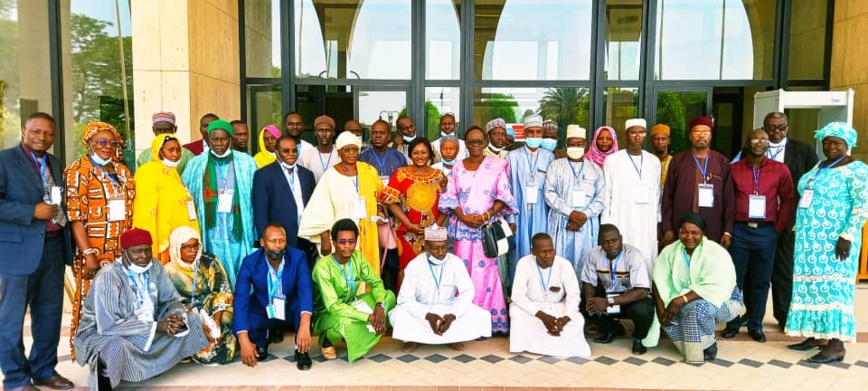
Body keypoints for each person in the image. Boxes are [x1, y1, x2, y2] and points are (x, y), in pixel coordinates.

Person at [73, 228, 209, 390]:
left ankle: (151, 366)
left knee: (191, 320)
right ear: (124, 252)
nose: (144, 256)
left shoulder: (155, 266)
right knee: (116, 345)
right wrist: (158, 327)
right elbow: (108, 325)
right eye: (137, 251)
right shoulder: (109, 276)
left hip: (147, 326)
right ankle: (105, 372)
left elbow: (171, 300)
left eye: (147, 250)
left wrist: (175, 316)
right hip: (103, 333)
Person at [0, 112, 74, 391]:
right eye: (36, 132)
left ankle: (44, 370)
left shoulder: (55, 163)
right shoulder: (5, 161)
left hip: (53, 248)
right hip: (17, 252)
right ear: (23, 131)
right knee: (11, 318)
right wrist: (32, 211)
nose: (42, 138)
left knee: (50, 314)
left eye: (48, 134)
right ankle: (17, 379)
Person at [785, 122, 868, 363]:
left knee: (833, 289)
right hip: (810, 243)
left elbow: (862, 206)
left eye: (837, 143)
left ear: (848, 144)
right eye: (827, 142)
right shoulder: (820, 166)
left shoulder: (857, 170)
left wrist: (847, 235)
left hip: (835, 242)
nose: (831, 146)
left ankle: (836, 345)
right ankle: (817, 335)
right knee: (811, 288)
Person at [65, 121, 135, 358]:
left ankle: (119, 355)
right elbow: (74, 217)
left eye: (112, 142)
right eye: (101, 142)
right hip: (94, 252)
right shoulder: (78, 172)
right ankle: (91, 354)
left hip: (122, 251)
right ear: (89, 143)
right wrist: (88, 255)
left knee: (121, 302)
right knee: (93, 304)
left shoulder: (123, 171)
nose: (107, 147)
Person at [439, 126, 516, 334]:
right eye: (471, 142)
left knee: (486, 275)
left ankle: (487, 322)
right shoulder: (457, 167)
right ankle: (463, 321)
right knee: (463, 273)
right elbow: (450, 195)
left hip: (486, 229)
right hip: (463, 229)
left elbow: (503, 196)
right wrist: (463, 217)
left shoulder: (498, 165)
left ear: (484, 142)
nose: (476, 145)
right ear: (466, 144)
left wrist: (486, 216)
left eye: (479, 141)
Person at [720, 128, 795, 342]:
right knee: (735, 279)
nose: (759, 142)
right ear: (747, 141)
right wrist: (728, 229)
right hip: (740, 230)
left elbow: (788, 199)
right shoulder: (733, 169)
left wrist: (779, 226)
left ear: (768, 142)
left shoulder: (780, 170)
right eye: (755, 138)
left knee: (761, 280)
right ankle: (733, 322)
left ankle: (755, 324)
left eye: (763, 138)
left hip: (767, 231)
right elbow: (727, 200)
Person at [645, 213, 742, 364]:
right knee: (668, 318)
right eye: (684, 232)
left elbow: (716, 285)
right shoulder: (670, 251)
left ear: (703, 233)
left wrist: (680, 300)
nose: (689, 237)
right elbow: (658, 279)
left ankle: (707, 346)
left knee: (694, 309)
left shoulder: (716, 252)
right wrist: (660, 309)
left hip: (726, 301)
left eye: (694, 232)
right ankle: (694, 347)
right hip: (685, 302)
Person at [390, 225, 491, 352]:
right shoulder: (415, 265)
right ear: (427, 248)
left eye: (444, 247)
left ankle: (454, 337)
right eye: (436, 248)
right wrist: (426, 315)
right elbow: (404, 299)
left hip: (449, 308)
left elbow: (468, 292)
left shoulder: (456, 262)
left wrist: (454, 315)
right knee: (398, 315)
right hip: (422, 309)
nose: (441, 252)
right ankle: (413, 339)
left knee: (480, 315)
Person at [183, 119, 258, 287]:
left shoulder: (246, 162)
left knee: (242, 271)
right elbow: (186, 196)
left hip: (238, 229)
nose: (218, 143)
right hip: (210, 230)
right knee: (212, 271)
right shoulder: (196, 164)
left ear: (230, 139)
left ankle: (240, 306)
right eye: (214, 139)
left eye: (223, 139)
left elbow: (257, 197)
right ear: (209, 140)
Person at [762, 112, 819, 331]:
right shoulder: (754, 147)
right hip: (759, 219)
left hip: (789, 221)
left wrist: (802, 218)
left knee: (784, 269)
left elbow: (812, 185)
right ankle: (753, 312)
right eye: (771, 127)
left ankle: (784, 314)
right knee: (756, 270)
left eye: (781, 127)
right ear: (764, 127)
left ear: (788, 127)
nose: (776, 132)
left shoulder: (803, 150)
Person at [311, 219, 397, 362]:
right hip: (328, 313)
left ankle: (351, 335)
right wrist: (369, 317)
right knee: (345, 322)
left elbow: (376, 282)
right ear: (334, 242)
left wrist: (379, 305)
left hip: (352, 305)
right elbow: (334, 306)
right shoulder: (323, 267)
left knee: (389, 297)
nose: (347, 247)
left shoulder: (357, 257)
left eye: (351, 241)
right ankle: (327, 340)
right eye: (342, 242)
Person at [299, 132, 385, 274]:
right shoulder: (330, 176)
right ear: (339, 152)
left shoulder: (369, 171)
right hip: (342, 239)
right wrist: (325, 239)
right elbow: (320, 210)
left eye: (355, 149)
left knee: (367, 276)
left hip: (367, 235)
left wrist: (380, 209)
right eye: (347, 150)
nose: (351, 154)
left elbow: (380, 195)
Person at [234, 224, 314, 370]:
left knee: (304, 310)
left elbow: (306, 289)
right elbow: (240, 298)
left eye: (282, 240)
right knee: (246, 317)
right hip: (264, 308)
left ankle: (301, 349)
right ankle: (261, 339)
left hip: (290, 308)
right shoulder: (250, 262)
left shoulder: (298, 257)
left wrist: (305, 324)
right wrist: (243, 339)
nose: (278, 245)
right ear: (263, 242)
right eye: (273, 241)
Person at [380, 138, 448, 289]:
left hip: (433, 235)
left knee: (433, 270)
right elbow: (390, 202)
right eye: (416, 153)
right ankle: (406, 305)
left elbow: (448, 204)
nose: (420, 156)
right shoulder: (400, 174)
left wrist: (435, 227)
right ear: (410, 155)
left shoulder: (439, 176)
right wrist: (409, 224)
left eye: (424, 152)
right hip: (406, 234)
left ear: (430, 154)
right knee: (407, 270)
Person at [509, 233, 591, 357]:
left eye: (551, 250)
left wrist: (565, 318)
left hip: (556, 305)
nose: (548, 255)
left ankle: (564, 348)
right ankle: (528, 346)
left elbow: (573, 295)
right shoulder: (524, 263)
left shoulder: (564, 264)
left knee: (577, 320)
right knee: (516, 314)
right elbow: (517, 295)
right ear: (534, 252)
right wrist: (543, 316)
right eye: (543, 252)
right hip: (531, 306)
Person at [163, 227, 236, 365]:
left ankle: (217, 337)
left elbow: (223, 291)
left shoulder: (209, 262)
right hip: (189, 315)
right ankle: (191, 347)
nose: (193, 251)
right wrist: (198, 324)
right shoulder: (168, 272)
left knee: (228, 318)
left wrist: (216, 323)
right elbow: (170, 305)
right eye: (187, 247)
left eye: (196, 245)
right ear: (176, 248)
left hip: (214, 310)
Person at [580, 225, 655, 355]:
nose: (611, 245)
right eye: (606, 242)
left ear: (621, 238)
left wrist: (608, 301)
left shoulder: (633, 255)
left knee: (643, 310)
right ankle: (612, 329)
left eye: (615, 240)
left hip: (630, 300)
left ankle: (639, 339)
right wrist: (591, 302)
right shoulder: (594, 254)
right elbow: (588, 282)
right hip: (608, 298)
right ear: (600, 243)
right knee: (582, 303)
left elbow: (642, 291)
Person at [662, 116, 734, 248]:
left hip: (713, 226)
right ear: (690, 136)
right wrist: (668, 228)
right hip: (682, 225)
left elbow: (728, 199)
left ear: (711, 135)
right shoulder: (678, 161)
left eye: (705, 132)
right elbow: (668, 196)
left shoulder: (722, 162)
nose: (701, 136)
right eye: (697, 132)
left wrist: (727, 231)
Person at [544, 125, 605, 279]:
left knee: (585, 262)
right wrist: (571, 213)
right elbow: (549, 193)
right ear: (566, 144)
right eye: (572, 144)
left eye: (579, 144)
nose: (576, 147)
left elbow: (601, 197)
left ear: (585, 144)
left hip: (586, 223)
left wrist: (584, 215)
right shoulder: (555, 166)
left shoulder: (595, 169)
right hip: (562, 221)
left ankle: (583, 298)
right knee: (560, 260)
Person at [602, 119, 661, 273]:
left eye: (641, 132)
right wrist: (607, 224)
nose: (637, 137)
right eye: (633, 133)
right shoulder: (613, 160)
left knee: (646, 255)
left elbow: (657, 193)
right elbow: (606, 193)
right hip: (621, 219)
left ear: (645, 135)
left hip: (647, 221)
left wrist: (658, 220)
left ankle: (644, 290)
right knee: (621, 256)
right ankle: (621, 292)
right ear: (626, 135)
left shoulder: (653, 161)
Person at [132, 134, 200, 264]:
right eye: (170, 150)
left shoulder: (173, 172)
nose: (175, 154)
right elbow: (145, 208)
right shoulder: (146, 171)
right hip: (159, 232)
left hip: (178, 234)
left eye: (178, 150)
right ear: (159, 151)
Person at [507, 114, 555, 283]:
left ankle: (539, 288)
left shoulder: (549, 157)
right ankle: (517, 290)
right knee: (519, 250)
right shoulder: (512, 156)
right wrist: (511, 217)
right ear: (525, 134)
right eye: (531, 132)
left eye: (538, 132)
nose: (535, 136)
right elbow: (508, 188)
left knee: (541, 249)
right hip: (519, 212)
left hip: (541, 211)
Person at [252, 136, 316, 254]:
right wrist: (265, 239)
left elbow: (314, 207)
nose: (291, 154)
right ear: (276, 152)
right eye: (286, 151)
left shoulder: (307, 175)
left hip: (305, 238)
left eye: (294, 150)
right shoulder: (263, 175)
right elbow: (261, 211)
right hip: (278, 240)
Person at [359, 119, 408, 184]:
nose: (378, 136)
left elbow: (405, 182)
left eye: (382, 133)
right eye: (374, 132)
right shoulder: (363, 158)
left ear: (389, 136)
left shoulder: (399, 157)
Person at [299, 115, 337, 182]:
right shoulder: (306, 155)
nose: (324, 134)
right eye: (320, 130)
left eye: (327, 130)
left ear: (333, 133)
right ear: (315, 133)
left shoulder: (340, 154)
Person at [651, 124, 673, 189]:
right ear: (651, 141)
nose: (660, 142)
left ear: (668, 141)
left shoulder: (674, 162)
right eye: (656, 139)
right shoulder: (647, 161)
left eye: (663, 139)